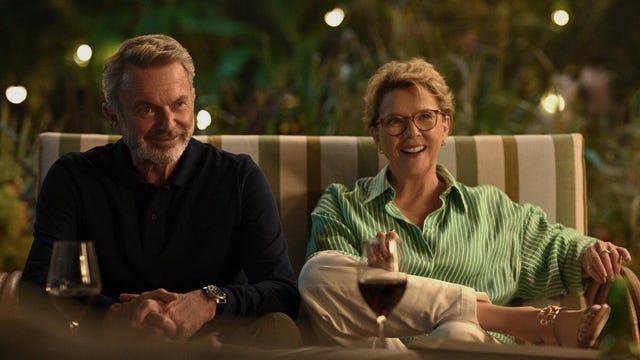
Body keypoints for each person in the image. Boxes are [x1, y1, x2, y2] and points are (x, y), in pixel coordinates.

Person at [298, 58, 631, 349]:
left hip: (466, 349)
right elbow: (330, 303)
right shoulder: (342, 205)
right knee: (316, 272)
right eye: (395, 122)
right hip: (385, 352)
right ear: (377, 136)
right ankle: (514, 319)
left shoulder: (492, 210)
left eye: (425, 117)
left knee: (459, 333)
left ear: (445, 126)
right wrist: (379, 280)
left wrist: (591, 253)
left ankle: (471, 318)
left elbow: (557, 247)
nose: (411, 132)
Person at [20, 34, 300, 345]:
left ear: (192, 99)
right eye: (146, 110)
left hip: (216, 349)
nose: (168, 124)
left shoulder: (239, 176)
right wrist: (114, 315)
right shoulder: (73, 177)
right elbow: (36, 289)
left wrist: (209, 301)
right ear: (113, 115)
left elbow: (283, 292)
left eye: (179, 104)